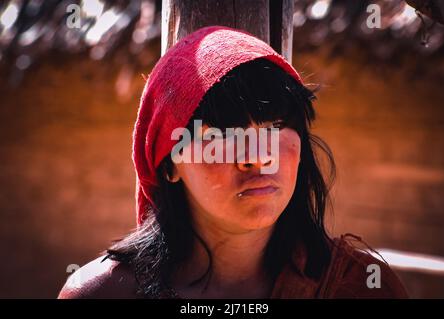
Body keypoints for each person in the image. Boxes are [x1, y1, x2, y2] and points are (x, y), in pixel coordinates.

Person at [58, 26, 408, 299]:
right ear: (169, 165)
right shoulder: (101, 294)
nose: (257, 155)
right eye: (222, 135)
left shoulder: (361, 288)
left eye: (275, 126)